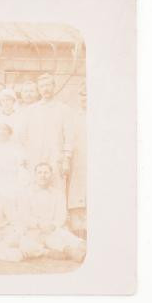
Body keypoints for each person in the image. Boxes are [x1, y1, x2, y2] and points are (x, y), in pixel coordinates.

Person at [20, 163, 86, 262]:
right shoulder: (26, 193)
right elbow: (24, 216)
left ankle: (83, 246)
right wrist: (40, 225)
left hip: (54, 229)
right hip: (35, 230)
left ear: (51, 175)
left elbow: (61, 215)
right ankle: (70, 251)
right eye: (39, 172)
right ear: (35, 175)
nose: (43, 175)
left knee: (64, 234)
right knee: (45, 238)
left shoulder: (58, 194)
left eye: (46, 173)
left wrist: (53, 225)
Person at [19, 73, 74, 187]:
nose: (45, 89)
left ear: (54, 86)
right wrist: (24, 156)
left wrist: (66, 159)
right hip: (35, 156)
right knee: (34, 188)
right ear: (38, 90)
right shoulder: (30, 111)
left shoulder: (64, 109)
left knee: (57, 187)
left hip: (56, 157)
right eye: (42, 86)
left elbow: (69, 136)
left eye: (48, 85)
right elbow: (23, 137)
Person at [0, 122, 29, 200]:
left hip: (13, 181)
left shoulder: (17, 148)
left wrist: (21, 184)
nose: (2, 131)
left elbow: (22, 168)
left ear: (10, 133)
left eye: (4, 129)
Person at [67, 85, 87, 238]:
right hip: (78, 158)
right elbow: (69, 138)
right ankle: (77, 228)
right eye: (82, 97)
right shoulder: (74, 116)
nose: (85, 100)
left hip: (94, 158)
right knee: (77, 191)